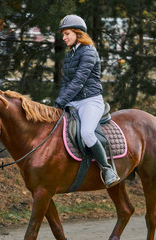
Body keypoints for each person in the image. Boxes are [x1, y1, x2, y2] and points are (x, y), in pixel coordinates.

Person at [55, 14, 120, 188]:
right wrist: (58, 103)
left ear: (78, 33)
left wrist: (62, 100)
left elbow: (79, 81)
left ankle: (107, 169)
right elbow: (66, 83)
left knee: (86, 133)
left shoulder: (89, 52)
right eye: (63, 34)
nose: (64, 37)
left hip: (90, 101)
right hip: (73, 102)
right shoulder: (69, 56)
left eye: (67, 33)